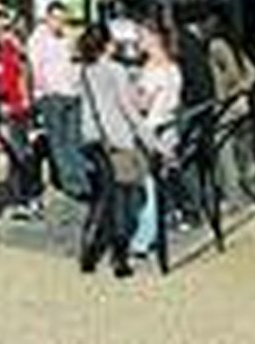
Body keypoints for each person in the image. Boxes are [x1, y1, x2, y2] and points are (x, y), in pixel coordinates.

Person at [78, 22, 164, 278]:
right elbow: (130, 113)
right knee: (121, 202)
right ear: (106, 44)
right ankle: (120, 259)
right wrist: (154, 144)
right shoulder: (115, 70)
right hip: (116, 142)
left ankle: (89, 252)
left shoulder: (84, 70)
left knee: (102, 198)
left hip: (92, 141)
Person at [130, 18, 183, 258]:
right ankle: (157, 231)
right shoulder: (173, 67)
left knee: (148, 186)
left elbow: (143, 104)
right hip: (169, 130)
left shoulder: (152, 69)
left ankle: (143, 238)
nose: (138, 41)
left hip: (152, 131)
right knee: (158, 183)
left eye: (141, 36)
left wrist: (127, 93)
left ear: (153, 38)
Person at [28, 0, 88, 199]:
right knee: (59, 143)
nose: (60, 23)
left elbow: (76, 63)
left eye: (63, 19)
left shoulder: (67, 38)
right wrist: (41, 94)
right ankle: (72, 184)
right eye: (56, 19)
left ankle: (82, 180)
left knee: (73, 140)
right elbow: (35, 69)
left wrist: (74, 49)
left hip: (72, 94)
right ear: (47, 18)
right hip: (52, 96)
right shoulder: (38, 39)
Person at [0, 11, 43, 220]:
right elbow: (5, 82)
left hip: (17, 110)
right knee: (20, 156)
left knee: (21, 157)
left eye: (8, 28)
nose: (5, 33)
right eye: (4, 29)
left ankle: (25, 198)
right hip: (14, 111)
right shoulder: (8, 52)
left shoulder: (14, 52)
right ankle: (24, 198)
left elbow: (16, 80)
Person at [207, 13, 255, 202]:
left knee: (226, 151)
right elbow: (253, 71)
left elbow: (231, 73)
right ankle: (248, 188)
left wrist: (229, 90)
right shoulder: (234, 45)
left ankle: (234, 194)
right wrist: (244, 86)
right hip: (242, 104)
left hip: (227, 106)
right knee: (243, 148)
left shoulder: (216, 46)